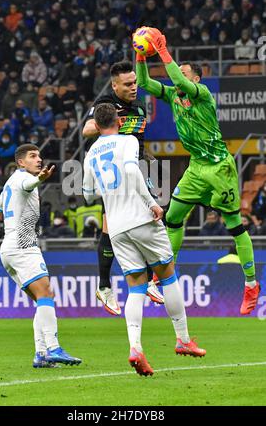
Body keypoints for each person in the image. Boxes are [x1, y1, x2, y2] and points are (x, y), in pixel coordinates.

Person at [135, 27, 260, 315]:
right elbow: (143, 82)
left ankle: (251, 284)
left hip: (219, 167)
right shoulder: (172, 95)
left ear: (196, 78)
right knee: (174, 217)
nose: (177, 74)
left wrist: (163, 50)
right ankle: (161, 277)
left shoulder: (202, 94)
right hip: (196, 167)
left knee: (234, 224)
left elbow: (176, 77)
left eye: (184, 72)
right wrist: (140, 54)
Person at [83, 103, 206, 376]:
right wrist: (151, 202)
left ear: (97, 124)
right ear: (117, 120)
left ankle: (136, 347)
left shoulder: (91, 153)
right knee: (167, 275)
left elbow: (88, 195)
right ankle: (183, 339)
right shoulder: (126, 140)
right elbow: (130, 171)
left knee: (136, 287)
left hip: (115, 228)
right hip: (140, 218)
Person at [0, 144, 81, 368]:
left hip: (8, 249)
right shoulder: (23, 179)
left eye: (39, 155)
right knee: (46, 294)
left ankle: (41, 355)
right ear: (21, 162)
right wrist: (40, 178)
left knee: (42, 299)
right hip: (22, 245)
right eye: (32, 156)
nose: (38, 159)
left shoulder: (10, 182)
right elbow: (30, 184)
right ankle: (54, 348)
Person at [83, 60, 163, 315]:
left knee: (155, 217)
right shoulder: (106, 104)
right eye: (127, 84)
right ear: (114, 85)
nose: (133, 87)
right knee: (110, 226)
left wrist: (145, 154)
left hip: (137, 167)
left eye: (134, 83)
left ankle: (149, 280)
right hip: (115, 173)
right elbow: (86, 129)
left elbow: (137, 137)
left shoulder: (139, 105)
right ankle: (105, 286)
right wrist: (101, 122)